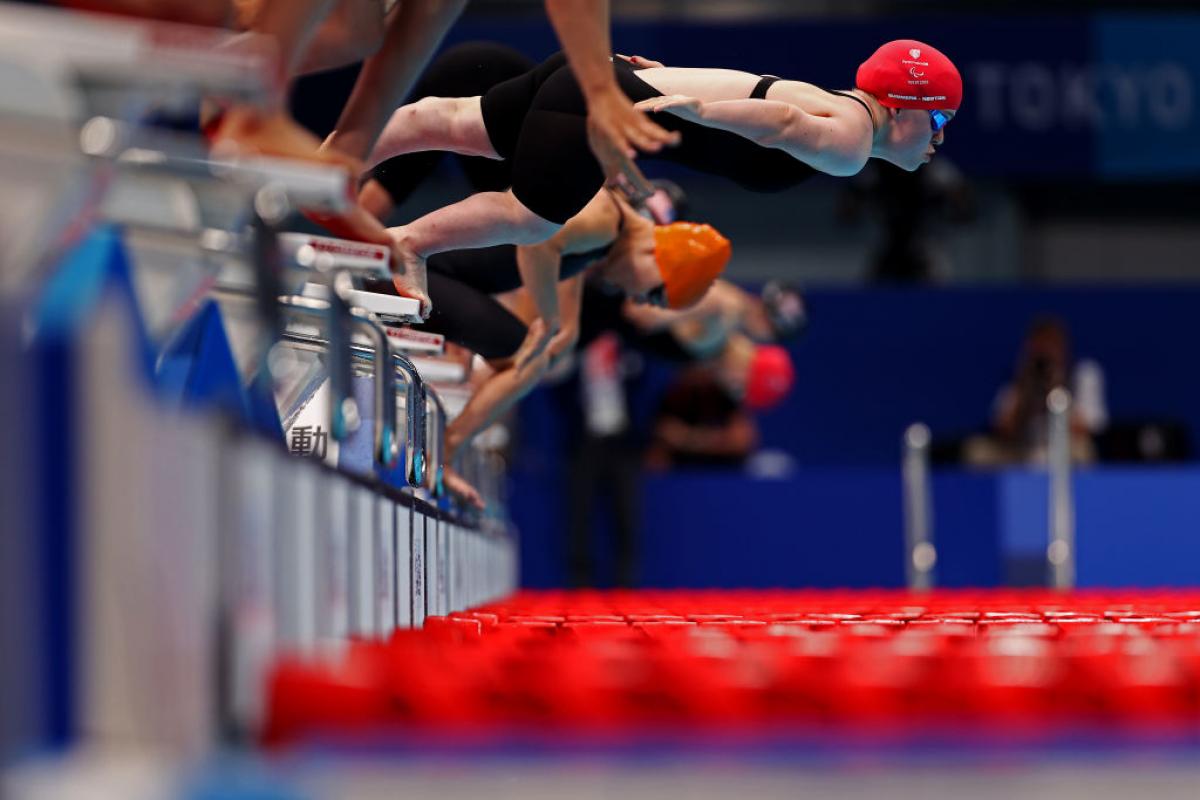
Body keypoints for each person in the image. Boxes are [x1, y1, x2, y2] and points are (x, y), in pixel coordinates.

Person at [372, 39, 962, 291]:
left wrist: (668, 84)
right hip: (612, 98)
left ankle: (331, 162)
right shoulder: (853, 142)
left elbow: (753, 92)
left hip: (607, 72)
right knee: (534, 219)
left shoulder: (834, 101)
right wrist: (699, 111)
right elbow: (782, 124)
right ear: (901, 108)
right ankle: (408, 243)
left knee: (445, 121)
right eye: (939, 120)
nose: (939, 139)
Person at [964, 316, 1107, 467]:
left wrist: (1055, 388)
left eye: (1050, 345)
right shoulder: (1021, 376)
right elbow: (1004, 428)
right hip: (1024, 448)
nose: (1045, 352)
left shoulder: (1082, 374)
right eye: (1040, 347)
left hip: (1063, 447)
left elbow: (1088, 427)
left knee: (1084, 448)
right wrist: (1024, 392)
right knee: (976, 449)